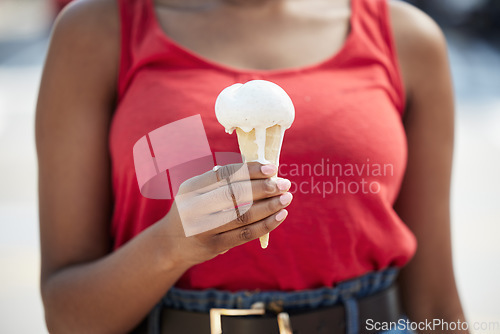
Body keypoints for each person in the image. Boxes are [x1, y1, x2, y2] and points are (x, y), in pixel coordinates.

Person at [36, 0, 467, 333]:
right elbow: (69, 316)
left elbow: (435, 303)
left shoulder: (406, 37)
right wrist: (171, 244)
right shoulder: (96, 29)